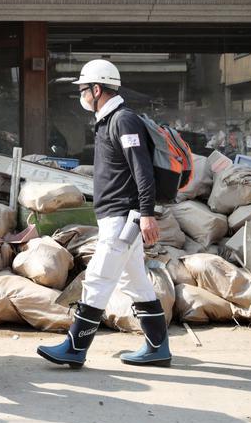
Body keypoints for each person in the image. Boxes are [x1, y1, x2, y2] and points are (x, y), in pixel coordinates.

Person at [38, 59, 172, 368]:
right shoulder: (109, 121)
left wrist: (146, 213)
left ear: (97, 89)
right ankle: (158, 347)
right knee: (135, 282)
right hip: (119, 216)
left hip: (122, 218)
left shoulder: (123, 121)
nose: (81, 95)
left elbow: (142, 171)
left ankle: (75, 347)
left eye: (83, 89)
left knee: (98, 278)